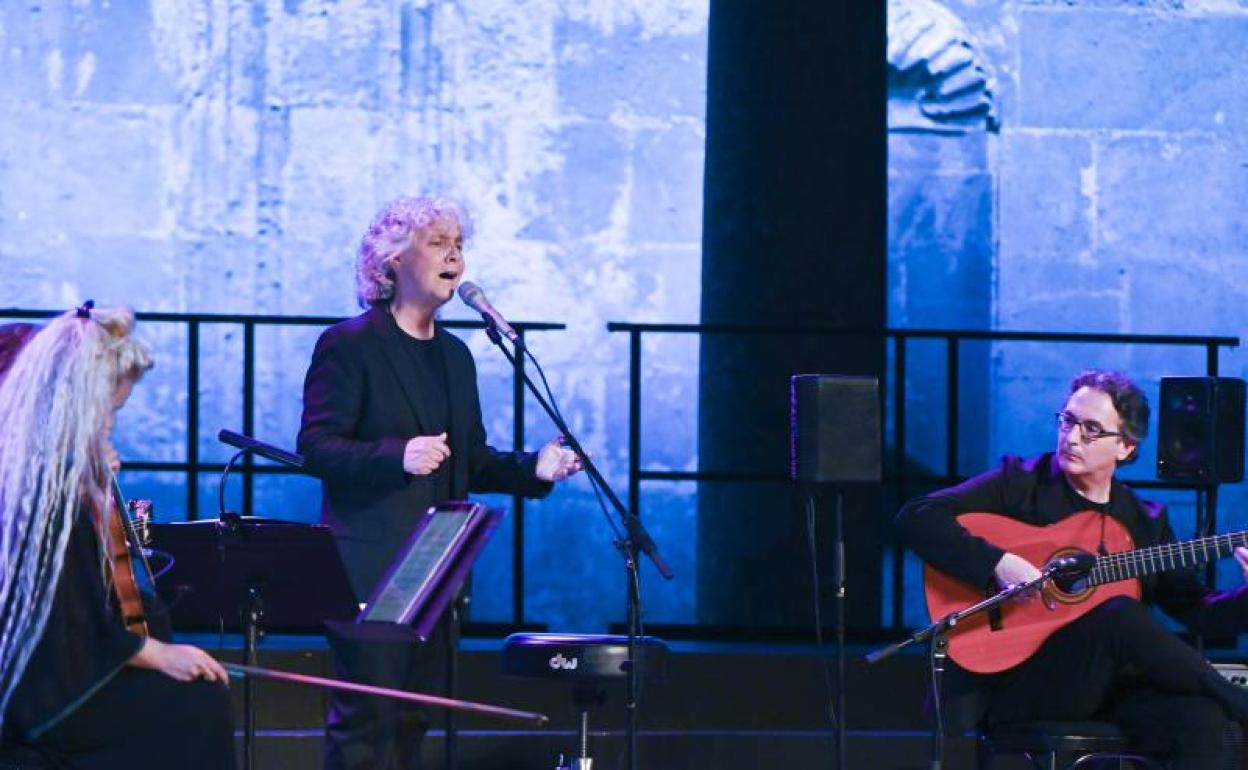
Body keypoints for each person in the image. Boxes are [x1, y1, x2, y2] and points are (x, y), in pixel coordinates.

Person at [298, 195, 584, 770]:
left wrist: (534, 467)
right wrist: (395, 454)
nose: (454, 255)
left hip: (439, 570)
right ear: (393, 260)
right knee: (368, 722)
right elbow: (316, 446)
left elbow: (470, 459)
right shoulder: (351, 344)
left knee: (414, 720)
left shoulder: (456, 356)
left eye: (459, 245)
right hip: (372, 572)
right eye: (437, 243)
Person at [896, 369, 1248, 769]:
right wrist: (998, 562)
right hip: (1021, 680)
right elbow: (917, 516)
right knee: (1120, 614)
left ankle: (1232, 707)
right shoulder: (1021, 483)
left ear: (1126, 447)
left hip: (1109, 687)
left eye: (1092, 429)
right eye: (1067, 421)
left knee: (1203, 722)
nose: (1072, 437)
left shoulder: (1144, 520)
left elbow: (1200, 612)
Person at [0, 306, 235, 769]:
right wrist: (154, 653)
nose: (110, 424)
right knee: (194, 707)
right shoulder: (43, 490)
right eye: (109, 410)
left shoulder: (56, 478)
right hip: (46, 693)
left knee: (195, 696)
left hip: (69, 671)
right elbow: (68, 620)